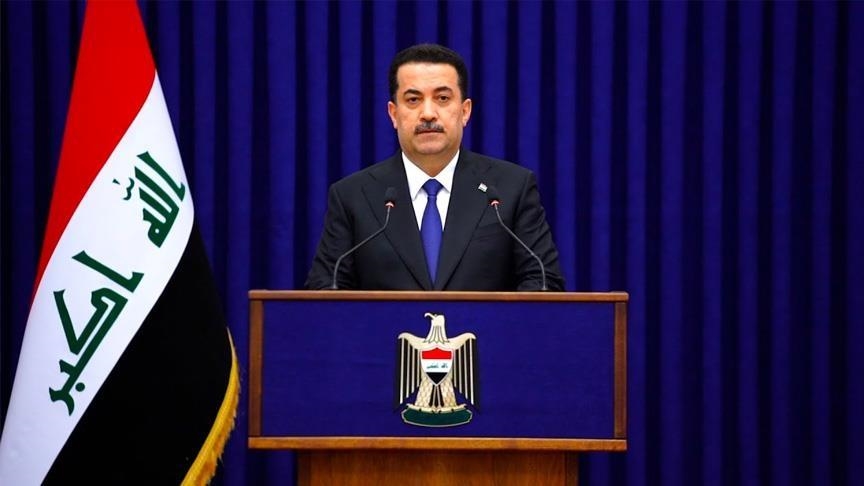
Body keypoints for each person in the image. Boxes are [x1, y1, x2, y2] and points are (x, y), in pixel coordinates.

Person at [305, 43, 564, 291]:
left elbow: (543, 282)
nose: (428, 113)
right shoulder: (352, 195)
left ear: (465, 111)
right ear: (394, 114)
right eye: (413, 100)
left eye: (442, 98)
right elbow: (326, 290)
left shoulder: (510, 189)